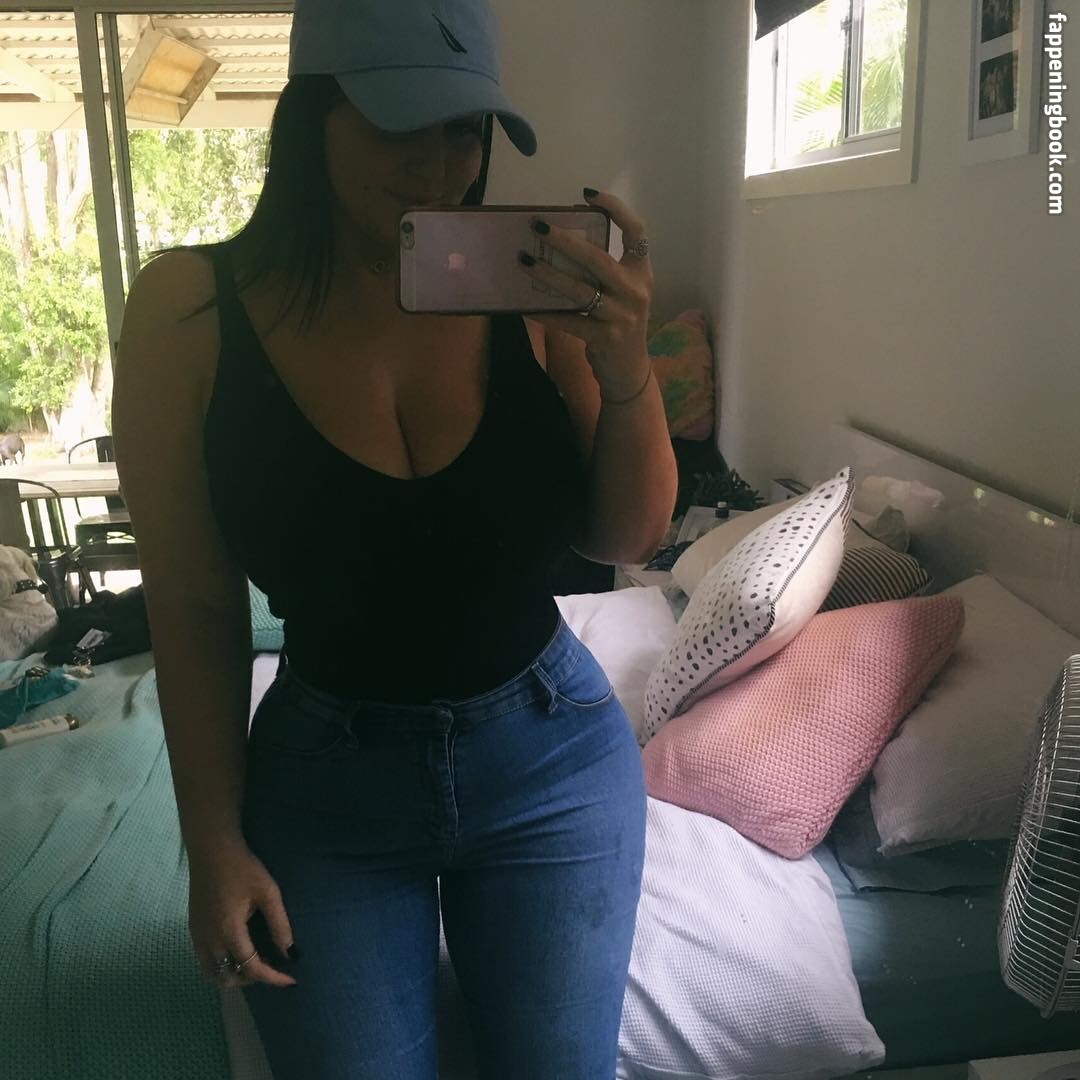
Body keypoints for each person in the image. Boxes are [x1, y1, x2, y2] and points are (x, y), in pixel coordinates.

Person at [111, 0, 677, 1076]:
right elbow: (193, 603)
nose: (440, 165)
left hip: (551, 758)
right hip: (326, 789)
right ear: (313, 116)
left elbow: (627, 535)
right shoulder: (189, 313)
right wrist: (213, 842)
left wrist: (626, 370)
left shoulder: (533, 292)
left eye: (465, 130)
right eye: (398, 123)